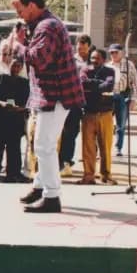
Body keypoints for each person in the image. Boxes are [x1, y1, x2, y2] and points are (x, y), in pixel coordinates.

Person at [10, 0, 85, 214]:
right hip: (50, 94)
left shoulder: (48, 27)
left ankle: (52, 196)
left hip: (56, 95)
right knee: (42, 144)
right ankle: (41, 186)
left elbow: (39, 59)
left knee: (44, 145)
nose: (19, 16)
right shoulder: (43, 25)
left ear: (32, 5)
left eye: (20, 10)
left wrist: (18, 47)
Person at [78, 49, 117, 185]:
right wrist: (99, 84)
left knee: (105, 146)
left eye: (97, 58)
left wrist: (92, 85)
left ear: (104, 59)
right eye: (92, 58)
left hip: (105, 114)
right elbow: (82, 84)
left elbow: (109, 85)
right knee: (88, 147)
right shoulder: (84, 70)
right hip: (88, 113)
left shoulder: (110, 71)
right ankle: (88, 176)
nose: (94, 60)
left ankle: (106, 175)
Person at [0, 58, 30, 183]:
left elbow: (27, 103)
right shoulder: (1, 79)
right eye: (13, 66)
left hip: (15, 120)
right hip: (0, 119)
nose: (15, 69)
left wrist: (19, 108)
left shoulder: (24, 83)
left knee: (14, 149)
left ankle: (13, 174)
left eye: (18, 66)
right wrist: (2, 104)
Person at [59, 34, 93, 177]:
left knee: (89, 135)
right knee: (69, 133)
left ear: (89, 47)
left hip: (90, 102)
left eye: (84, 48)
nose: (81, 50)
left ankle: (90, 166)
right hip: (72, 102)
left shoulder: (94, 60)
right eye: (79, 47)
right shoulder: (70, 60)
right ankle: (65, 161)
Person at [107, 43, 137, 158]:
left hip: (122, 96)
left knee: (121, 125)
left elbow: (134, 83)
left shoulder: (128, 65)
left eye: (116, 52)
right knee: (105, 123)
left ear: (122, 52)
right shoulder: (108, 66)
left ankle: (118, 147)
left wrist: (133, 100)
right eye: (111, 53)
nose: (113, 55)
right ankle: (104, 147)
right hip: (109, 97)